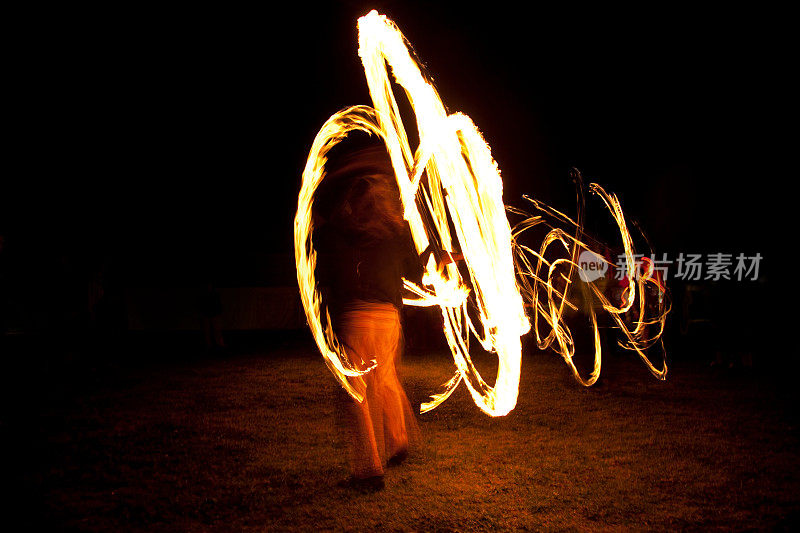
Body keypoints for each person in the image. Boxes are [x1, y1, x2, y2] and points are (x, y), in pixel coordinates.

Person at [315, 139, 422, 492]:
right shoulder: (395, 231)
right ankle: (399, 440)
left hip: (359, 314)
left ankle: (368, 469)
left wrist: (326, 214)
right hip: (389, 315)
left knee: (355, 390)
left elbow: (328, 237)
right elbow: (417, 267)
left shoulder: (349, 229)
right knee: (386, 378)